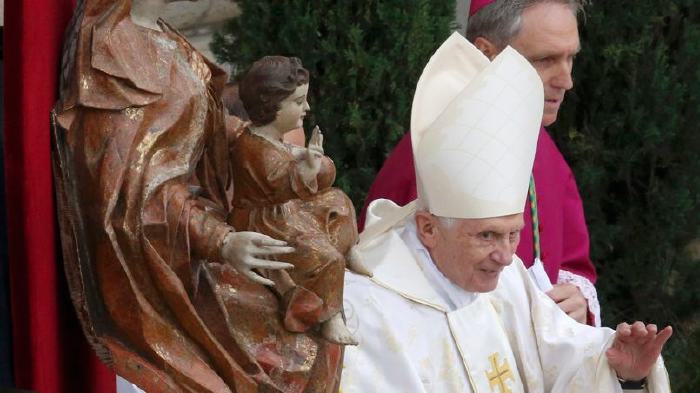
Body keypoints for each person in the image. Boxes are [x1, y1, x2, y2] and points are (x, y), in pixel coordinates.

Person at [340, 32, 672, 393]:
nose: (506, 256)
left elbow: (567, 355)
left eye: (513, 234)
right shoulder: (367, 309)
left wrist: (625, 372)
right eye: (486, 235)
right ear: (428, 228)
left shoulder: (507, 277)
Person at [54, 1, 343, 392]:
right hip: (165, 256)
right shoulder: (114, 55)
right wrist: (219, 241)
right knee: (289, 334)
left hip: (205, 220)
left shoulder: (164, 36)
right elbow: (130, 197)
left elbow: (214, 124)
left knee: (327, 227)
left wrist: (274, 149)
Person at [358, 0, 600, 326]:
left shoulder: (545, 150)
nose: (566, 80)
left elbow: (571, 263)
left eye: (571, 58)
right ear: (486, 53)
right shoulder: (433, 153)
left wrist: (576, 298)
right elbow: (381, 288)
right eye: (545, 60)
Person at [230, 56, 359, 345]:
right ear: (272, 105)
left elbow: (308, 180)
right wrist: (305, 169)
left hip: (285, 209)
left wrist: (314, 164)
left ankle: (350, 247)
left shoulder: (274, 141)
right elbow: (278, 185)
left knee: (338, 201)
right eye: (299, 102)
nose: (307, 108)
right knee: (327, 259)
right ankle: (328, 317)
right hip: (265, 222)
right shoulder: (252, 147)